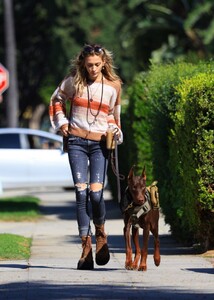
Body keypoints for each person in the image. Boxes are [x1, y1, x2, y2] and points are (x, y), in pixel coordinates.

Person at [49, 44, 123, 270]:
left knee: (96, 194)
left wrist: (115, 131)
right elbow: (56, 100)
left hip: (100, 143)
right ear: (83, 64)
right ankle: (86, 247)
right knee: (81, 193)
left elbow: (112, 116)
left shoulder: (113, 86)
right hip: (77, 142)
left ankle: (100, 232)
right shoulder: (73, 81)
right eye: (89, 65)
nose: (93, 69)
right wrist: (62, 124)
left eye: (97, 65)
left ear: (104, 64)